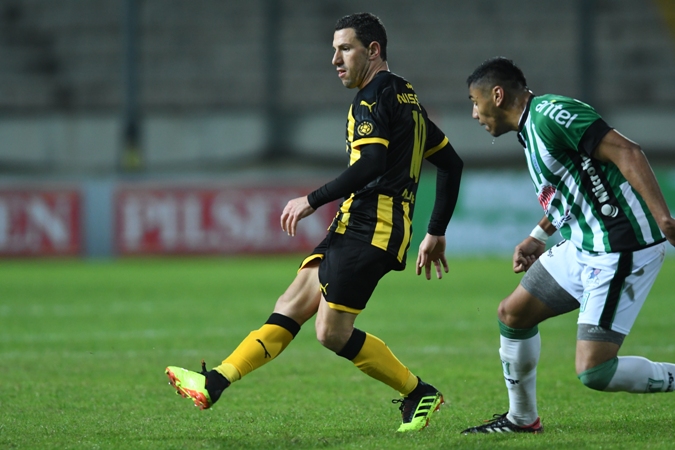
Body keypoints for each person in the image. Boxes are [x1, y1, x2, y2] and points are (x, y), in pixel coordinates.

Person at [165, 12, 464, 433]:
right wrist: (435, 230)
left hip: (371, 229)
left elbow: (373, 163)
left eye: (345, 49)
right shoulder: (406, 99)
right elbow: (451, 162)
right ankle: (213, 382)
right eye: (334, 50)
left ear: (373, 50)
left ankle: (420, 392)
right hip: (356, 225)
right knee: (290, 305)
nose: (335, 60)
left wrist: (312, 199)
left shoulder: (372, 97)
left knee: (331, 332)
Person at [460, 56, 675, 434]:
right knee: (513, 315)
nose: (474, 114)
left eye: (475, 102)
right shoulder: (530, 130)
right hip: (583, 244)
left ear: (497, 95)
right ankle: (521, 420)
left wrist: (664, 218)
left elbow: (627, 152)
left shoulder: (550, 114)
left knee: (595, 371)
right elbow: (573, 188)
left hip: (620, 245)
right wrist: (539, 235)